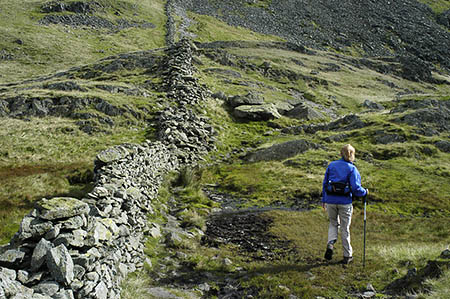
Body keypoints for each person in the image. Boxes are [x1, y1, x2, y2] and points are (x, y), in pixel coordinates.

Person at [321, 144, 368, 264]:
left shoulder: (331, 165)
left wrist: (324, 200)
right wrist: (365, 192)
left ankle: (331, 243)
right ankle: (347, 256)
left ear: (340, 153)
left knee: (333, 223)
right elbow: (356, 188)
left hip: (331, 200)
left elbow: (325, 183)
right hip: (345, 202)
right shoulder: (352, 169)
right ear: (352, 155)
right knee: (344, 228)